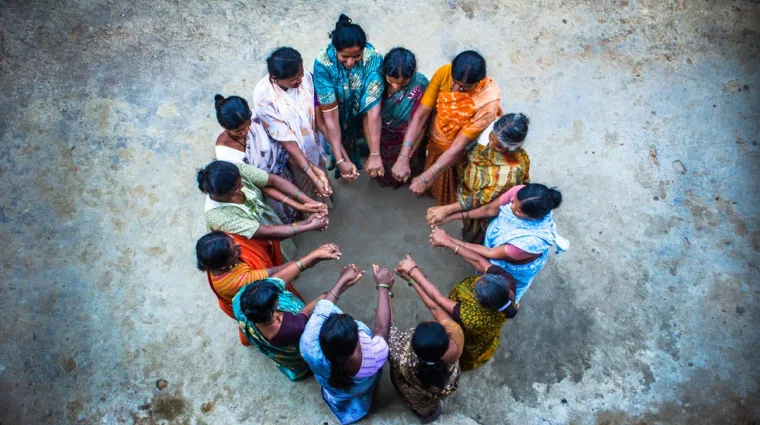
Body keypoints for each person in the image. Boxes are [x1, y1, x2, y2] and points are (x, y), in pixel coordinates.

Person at [392, 51, 502, 205]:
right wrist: (403, 157)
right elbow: (420, 116)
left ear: (479, 82)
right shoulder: (445, 73)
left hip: (460, 151)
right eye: (455, 82)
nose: (455, 89)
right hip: (436, 141)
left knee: (455, 180)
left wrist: (426, 177)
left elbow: (458, 146)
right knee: (431, 166)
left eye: (464, 88)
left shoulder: (486, 102)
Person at [428, 183, 569, 302]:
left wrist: (448, 241)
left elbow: (489, 253)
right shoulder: (519, 194)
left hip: (511, 266)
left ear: (534, 218)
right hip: (498, 246)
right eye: (513, 202)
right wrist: (450, 217)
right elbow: (489, 209)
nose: (511, 207)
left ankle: (509, 303)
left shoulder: (528, 243)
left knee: (503, 292)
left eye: (517, 210)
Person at [195, 230, 341, 344]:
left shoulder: (215, 263)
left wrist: (312, 258)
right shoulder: (282, 328)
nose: (239, 245)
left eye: (233, 241)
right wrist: (331, 291)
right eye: (234, 250)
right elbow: (276, 276)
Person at [300, 264, 394, 424]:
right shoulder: (373, 356)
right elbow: (382, 329)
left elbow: (322, 310)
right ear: (357, 338)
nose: (340, 312)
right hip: (362, 387)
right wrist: (383, 287)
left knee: (339, 393)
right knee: (363, 393)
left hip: (334, 390)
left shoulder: (308, 346)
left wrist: (341, 282)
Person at [232, 264, 356, 381]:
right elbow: (308, 311)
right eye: (277, 298)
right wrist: (339, 286)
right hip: (298, 353)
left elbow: (276, 280)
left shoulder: (239, 301)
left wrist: (314, 256)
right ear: (273, 308)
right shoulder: (292, 328)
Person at [396, 253, 518, 371]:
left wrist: (414, 271)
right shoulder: (509, 289)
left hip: (471, 336)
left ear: (480, 304)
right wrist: (448, 242)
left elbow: (437, 299)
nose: (478, 279)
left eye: (475, 290)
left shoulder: (470, 317)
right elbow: (480, 262)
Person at [427, 113, 531, 243]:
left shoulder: (509, 173)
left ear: (513, 147)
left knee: (476, 231)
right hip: (469, 188)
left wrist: (447, 210)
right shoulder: (490, 132)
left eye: (498, 146)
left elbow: (481, 200)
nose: (491, 145)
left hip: (483, 205)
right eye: (491, 138)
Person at [198, 160, 328, 261]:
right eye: (237, 187)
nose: (243, 185)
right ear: (224, 194)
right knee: (271, 259)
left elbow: (272, 180)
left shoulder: (235, 171)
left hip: (268, 224)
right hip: (255, 241)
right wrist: (308, 225)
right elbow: (266, 233)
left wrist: (307, 202)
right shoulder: (218, 216)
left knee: (284, 248)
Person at [253, 47, 334, 209]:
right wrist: (312, 175)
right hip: (291, 152)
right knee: (304, 182)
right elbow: (288, 143)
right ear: (275, 79)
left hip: (312, 141)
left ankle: (327, 199)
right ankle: (315, 211)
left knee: (321, 172)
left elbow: (317, 115)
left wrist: (337, 151)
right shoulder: (264, 98)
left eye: (301, 73)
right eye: (294, 79)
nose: (300, 79)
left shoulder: (306, 78)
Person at [390, 257, 464, 423]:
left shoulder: (399, 351)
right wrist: (411, 279)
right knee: (434, 400)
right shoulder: (456, 340)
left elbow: (387, 325)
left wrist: (386, 290)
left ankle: (427, 416)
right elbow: (435, 307)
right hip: (441, 388)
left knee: (420, 404)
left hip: (416, 393)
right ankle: (435, 410)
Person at [313, 14, 384, 181]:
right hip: (338, 111)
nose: (351, 61)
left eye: (356, 56)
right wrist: (339, 160)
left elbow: (373, 109)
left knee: (367, 139)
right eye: (345, 56)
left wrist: (375, 153)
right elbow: (330, 118)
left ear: (363, 49)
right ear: (335, 49)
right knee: (338, 138)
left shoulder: (373, 58)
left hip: (361, 109)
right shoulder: (323, 63)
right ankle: (341, 157)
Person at [213, 94, 297, 224]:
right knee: (279, 210)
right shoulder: (226, 152)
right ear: (224, 127)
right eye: (238, 131)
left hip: (280, 169)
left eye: (248, 125)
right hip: (264, 185)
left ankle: (296, 211)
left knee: (292, 193)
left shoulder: (256, 118)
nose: (246, 131)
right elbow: (254, 181)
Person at [376, 47, 429, 188]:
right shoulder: (376, 81)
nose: (396, 86)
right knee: (383, 163)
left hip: (409, 135)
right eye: (391, 80)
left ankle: (400, 179)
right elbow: (370, 114)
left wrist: (406, 157)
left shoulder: (421, 84)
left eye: (403, 84)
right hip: (382, 135)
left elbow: (422, 121)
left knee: (405, 163)